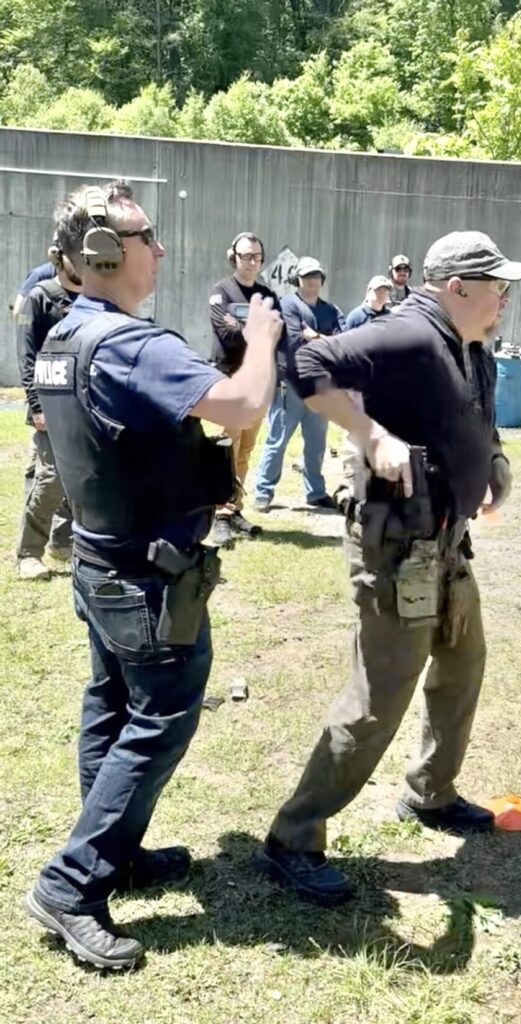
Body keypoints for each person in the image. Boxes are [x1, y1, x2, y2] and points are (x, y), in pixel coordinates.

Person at [24, 180, 282, 970]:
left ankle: (117, 855)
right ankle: (73, 883)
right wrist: (264, 336)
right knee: (163, 713)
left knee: (110, 705)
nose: (160, 249)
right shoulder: (131, 344)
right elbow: (238, 407)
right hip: (145, 573)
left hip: (104, 562)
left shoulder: (65, 337)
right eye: (146, 237)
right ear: (104, 254)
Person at [255, 230, 521, 905]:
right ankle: (293, 837)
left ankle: (430, 793)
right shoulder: (407, 333)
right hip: (398, 545)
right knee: (381, 693)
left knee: (463, 663)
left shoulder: (472, 346)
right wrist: (368, 433)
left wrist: (491, 458)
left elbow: (472, 416)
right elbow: (305, 362)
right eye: (495, 284)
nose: (505, 295)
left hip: (446, 542)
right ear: (456, 286)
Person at [253, 257, 345, 512]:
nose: (312, 280)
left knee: (316, 443)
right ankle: (263, 491)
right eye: (307, 276)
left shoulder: (330, 309)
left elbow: (343, 343)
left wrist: (316, 337)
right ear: (298, 279)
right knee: (277, 439)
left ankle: (315, 492)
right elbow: (295, 341)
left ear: (322, 279)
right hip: (290, 383)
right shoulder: (287, 305)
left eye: (316, 275)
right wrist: (328, 341)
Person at [207, 231, 280, 547]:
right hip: (230, 379)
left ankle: (234, 507)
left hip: (259, 381)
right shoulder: (220, 291)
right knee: (226, 448)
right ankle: (219, 513)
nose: (252, 262)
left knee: (246, 448)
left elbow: (277, 335)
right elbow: (226, 335)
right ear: (233, 257)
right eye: (246, 256)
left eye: (257, 256)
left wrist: (251, 330)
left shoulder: (267, 294)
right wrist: (256, 330)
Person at [15, 238, 80, 579]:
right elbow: (26, 357)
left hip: (81, 406)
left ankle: (63, 540)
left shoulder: (91, 300)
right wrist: (37, 405)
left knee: (77, 477)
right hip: (48, 406)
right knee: (51, 478)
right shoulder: (38, 297)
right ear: (59, 257)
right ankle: (28, 552)